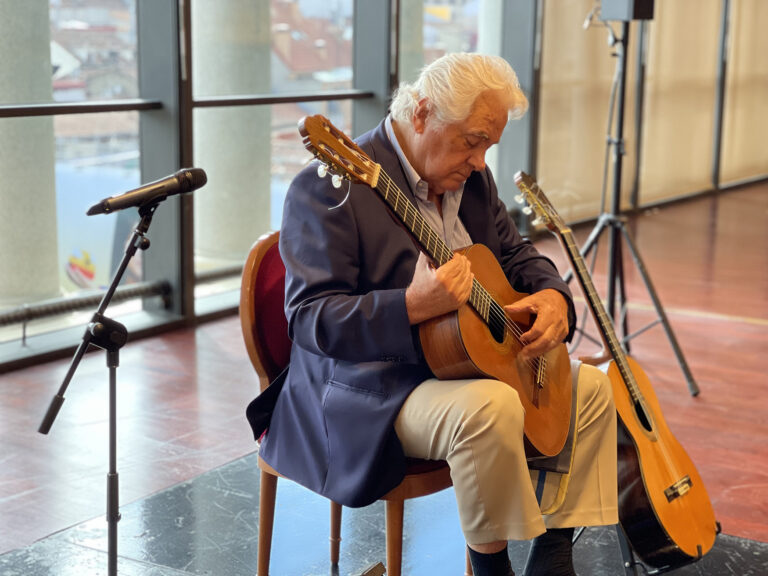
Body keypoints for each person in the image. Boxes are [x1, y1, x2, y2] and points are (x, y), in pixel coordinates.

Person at [254, 52, 617, 576]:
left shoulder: (472, 181)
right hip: (368, 388)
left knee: (594, 388)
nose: (480, 161)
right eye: (472, 141)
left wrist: (555, 298)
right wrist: (410, 306)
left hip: (460, 366)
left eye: (488, 146)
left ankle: (554, 555)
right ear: (421, 113)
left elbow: (518, 257)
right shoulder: (327, 188)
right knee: (488, 407)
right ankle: (492, 569)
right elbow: (311, 321)